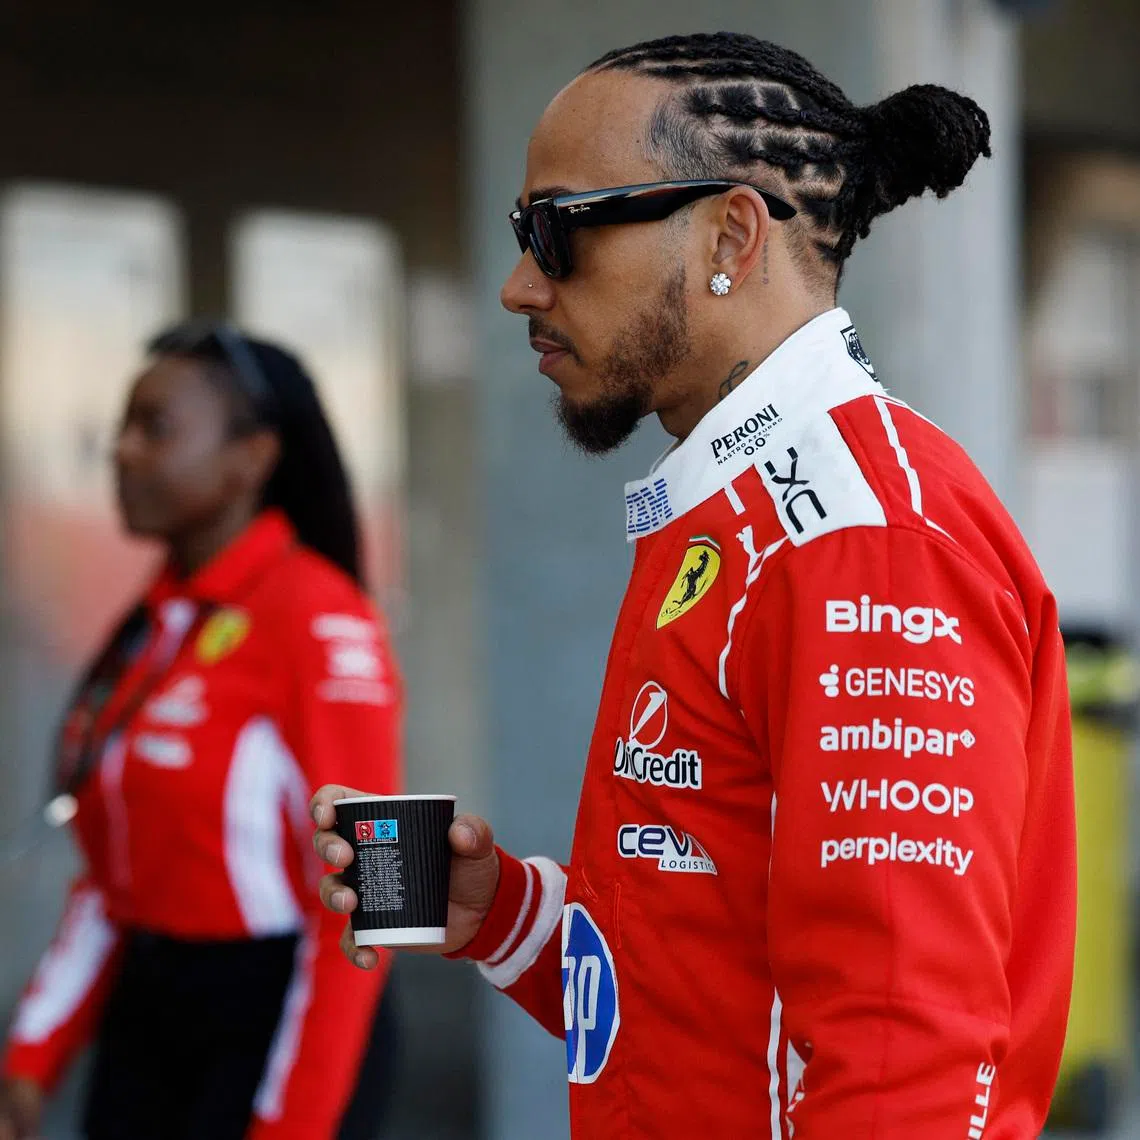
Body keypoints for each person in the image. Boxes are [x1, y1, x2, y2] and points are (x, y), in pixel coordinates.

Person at [312, 31, 1076, 1138]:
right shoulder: (738, 511)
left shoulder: (865, 537)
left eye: (558, 231)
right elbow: (706, 988)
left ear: (730, 234)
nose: (520, 284)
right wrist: (503, 916)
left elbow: (906, 1056)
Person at [0, 323, 402, 1140]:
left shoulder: (323, 620)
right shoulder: (159, 619)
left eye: (156, 428)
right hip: (149, 1015)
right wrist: (30, 1057)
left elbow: (381, 893)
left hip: (279, 1019)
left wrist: (295, 1124)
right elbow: (115, 883)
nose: (121, 451)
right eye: (122, 426)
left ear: (250, 459)